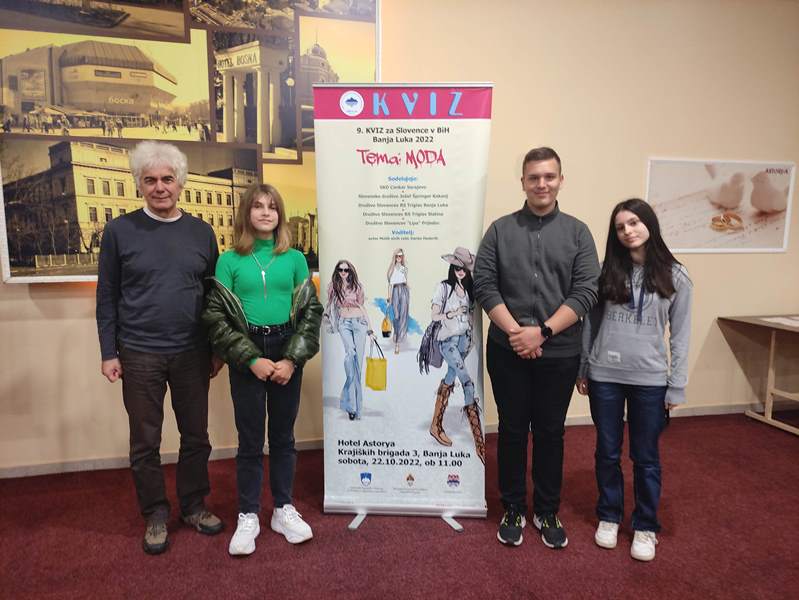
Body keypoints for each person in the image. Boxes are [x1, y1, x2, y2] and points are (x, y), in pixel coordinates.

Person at [96, 140, 224, 555]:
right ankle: (154, 513)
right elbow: (107, 295)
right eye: (150, 180)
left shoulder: (202, 233)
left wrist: (217, 349)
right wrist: (109, 352)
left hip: (192, 352)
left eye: (167, 179)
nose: (159, 187)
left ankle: (193, 506)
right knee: (145, 442)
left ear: (180, 182)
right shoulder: (119, 232)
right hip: (139, 353)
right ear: (139, 184)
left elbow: (215, 297)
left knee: (196, 436)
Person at [473, 146, 599, 549]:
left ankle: (546, 510)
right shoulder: (500, 230)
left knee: (549, 432)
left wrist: (541, 333)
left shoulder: (578, 233)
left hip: (559, 353)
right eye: (534, 177)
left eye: (549, 176)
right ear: (523, 182)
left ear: (560, 180)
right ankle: (512, 507)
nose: (542, 184)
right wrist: (517, 334)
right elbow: (484, 284)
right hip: (506, 350)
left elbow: (586, 291)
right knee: (511, 430)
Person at [202, 183, 322, 555]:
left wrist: (292, 359)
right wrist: (251, 359)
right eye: (258, 206)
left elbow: (310, 314)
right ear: (247, 213)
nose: (266, 212)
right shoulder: (229, 260)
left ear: (279, 215)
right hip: (247, 349)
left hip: (286, 346)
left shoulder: (295, 258)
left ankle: (283, 509)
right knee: (251, 439)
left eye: (272, 206)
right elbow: (216, 317)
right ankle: (249, 514)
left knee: (284, 437)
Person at [576, 198, 692, 562]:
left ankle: (645, 525)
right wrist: (583, 366)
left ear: (649, 225)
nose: (628, 231)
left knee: (646, 456)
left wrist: (677, 383)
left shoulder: (676, 276)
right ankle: (609, 516)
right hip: (605, 376)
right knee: (607, 452)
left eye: (634, 223)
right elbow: (591, 322)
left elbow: (681, 335)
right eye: (620, 226)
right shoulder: (606, 271)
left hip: (650, 380)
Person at [428, 247, 485, 465]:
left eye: (464, 268)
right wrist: (452, 313)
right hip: (448, 342)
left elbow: (472, 317)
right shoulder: (444, 288)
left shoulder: (470, 290)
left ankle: (435, 426)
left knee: (450, 378)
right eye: (457, 267)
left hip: (463, 341)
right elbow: (434, 315)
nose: (460, 271)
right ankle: (479, 444)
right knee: (467, 383)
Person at [323, 259, 377, 420]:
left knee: (357, 365)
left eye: (346, 270)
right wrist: (327, 318)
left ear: (350, 271)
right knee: (350, 355)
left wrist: (370, 330)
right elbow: (330, 305)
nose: (343, 273)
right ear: (337, 271)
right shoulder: (333, 286)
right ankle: (351, 405)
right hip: (343, 324)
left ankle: (355, 407)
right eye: (340, 270)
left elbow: (362, 307)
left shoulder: (357, 286)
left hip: (359, 323)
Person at [386, 248, 410, 354]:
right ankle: (396, 333)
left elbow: (406, 280)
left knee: (403, 315)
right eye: (397, 256)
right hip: (395, 290)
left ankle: (398, 343)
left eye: (401, 256)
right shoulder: (392, 269)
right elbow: (390, 285)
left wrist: (408, 288)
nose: (399, 258)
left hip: (404, 291)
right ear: (395, 257)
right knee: (396, 315)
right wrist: (389, 297)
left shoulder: (404, 268)